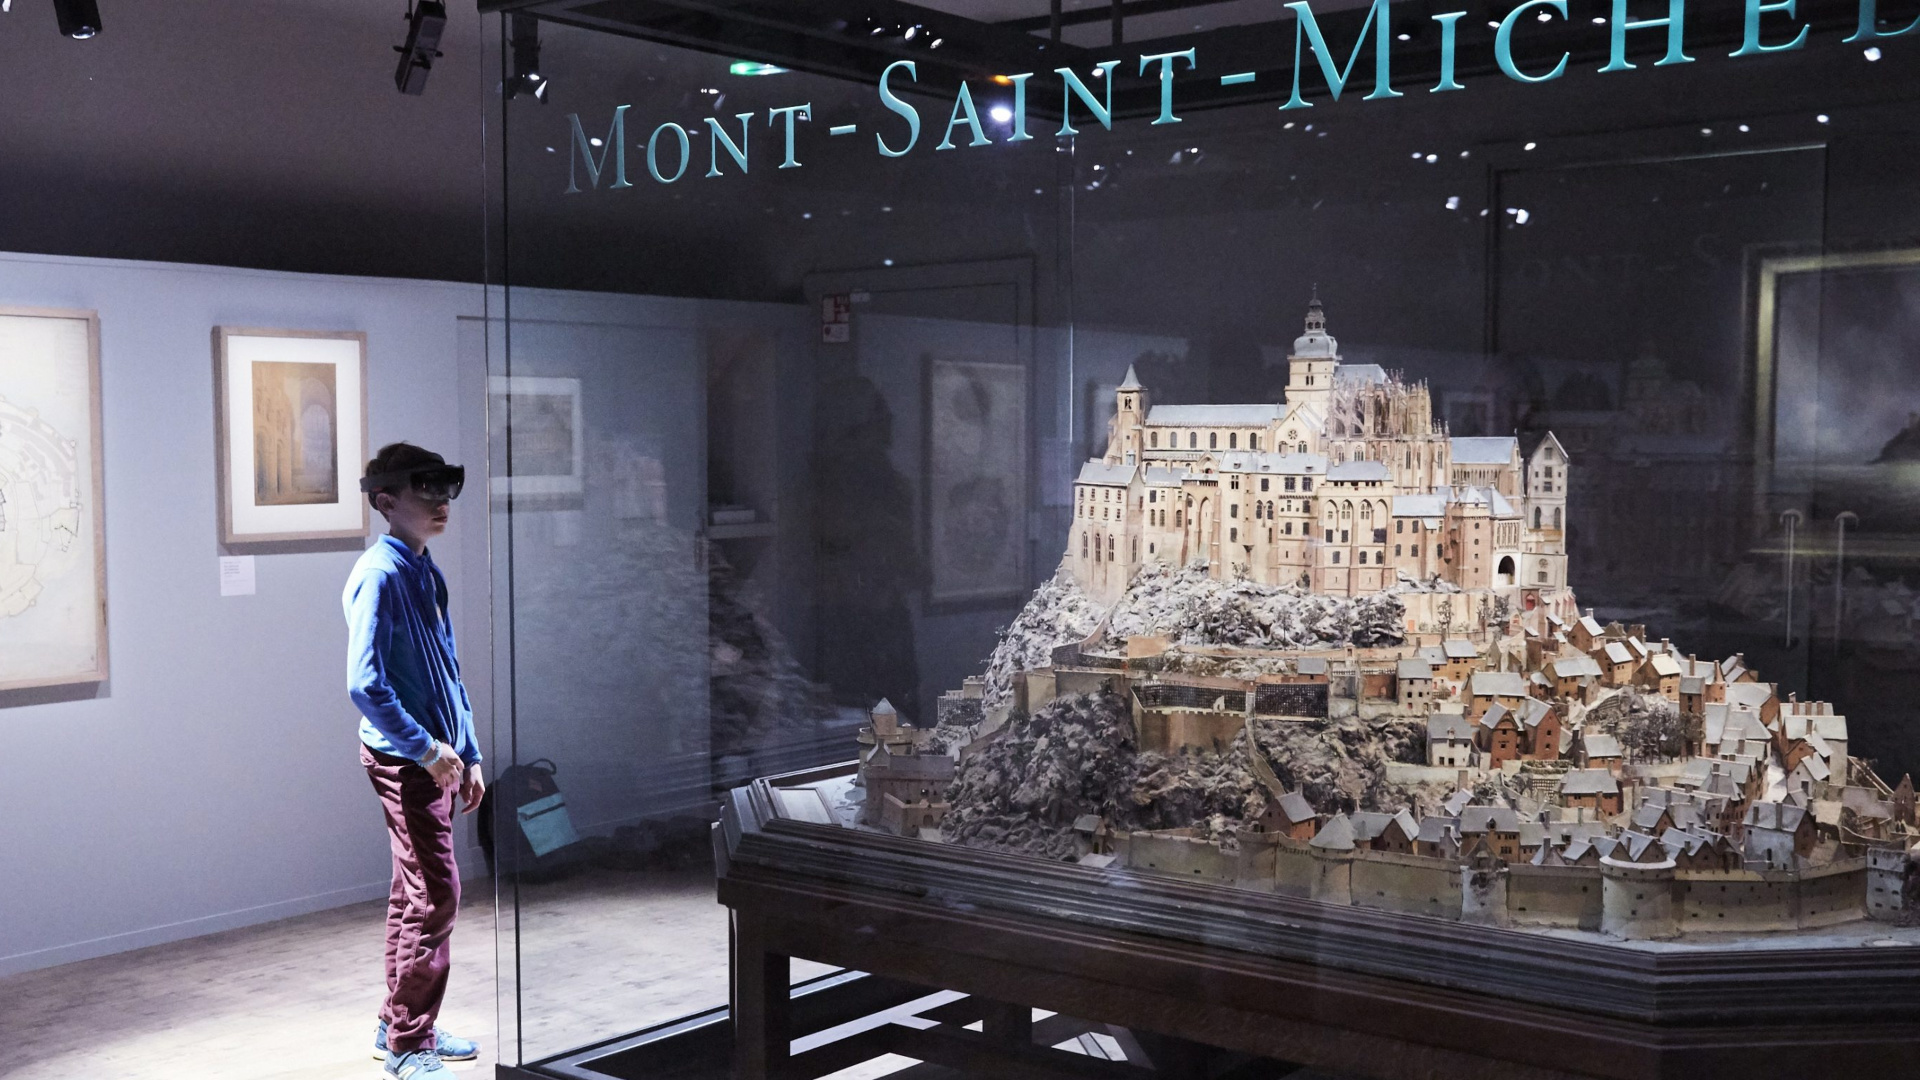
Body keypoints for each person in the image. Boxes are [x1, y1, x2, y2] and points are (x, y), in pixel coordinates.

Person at [345, 442, 484, 1080]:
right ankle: (406, 1045)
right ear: (385, 501)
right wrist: (430, 751)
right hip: (408, 763)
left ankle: (400, 1024)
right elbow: (365, 685)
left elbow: (447, 672)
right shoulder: (380, 575)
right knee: (438, 897)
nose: (439, 502)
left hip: (434, 760)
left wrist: (471, 753)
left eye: (445, 489)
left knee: (413, 892)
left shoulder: (425, 570)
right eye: (424, 490)